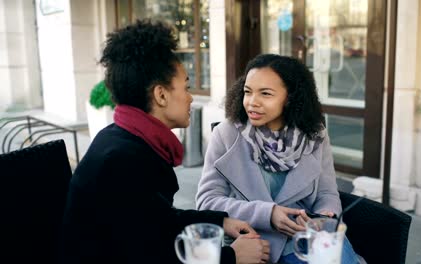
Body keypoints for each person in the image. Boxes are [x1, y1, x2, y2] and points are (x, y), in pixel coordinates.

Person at [59, 20, 270, 264]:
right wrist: (232, 256)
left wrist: (220, 221)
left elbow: (155, 220)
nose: (191, 98)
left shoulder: (122, 137)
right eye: (186, 87)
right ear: (161, 95)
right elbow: (151, 255)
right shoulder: (121, 160)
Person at [196, 54, 365, 264]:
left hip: (308, 237)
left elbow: (326, 192)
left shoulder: (315, 135)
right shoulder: (226, 134)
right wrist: (268, 214)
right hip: (256, 242)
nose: (252, 102)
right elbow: (206, 201)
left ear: (290, 97)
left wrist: (323, 218)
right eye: (247, 92)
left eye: (265, 94)